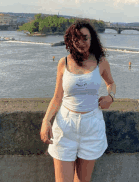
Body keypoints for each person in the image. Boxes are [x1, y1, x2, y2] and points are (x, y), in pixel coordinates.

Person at [40, 19, 116, 182]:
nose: (81, 43)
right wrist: (46, 121)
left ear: (92, 38)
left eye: (85, 38)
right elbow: (57, 97)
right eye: (76, 39)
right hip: (65, 127)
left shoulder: (100, 62)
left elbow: (111, 83)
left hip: (91, 126)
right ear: (70, 41)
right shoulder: (63, 63)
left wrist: (111, 97)